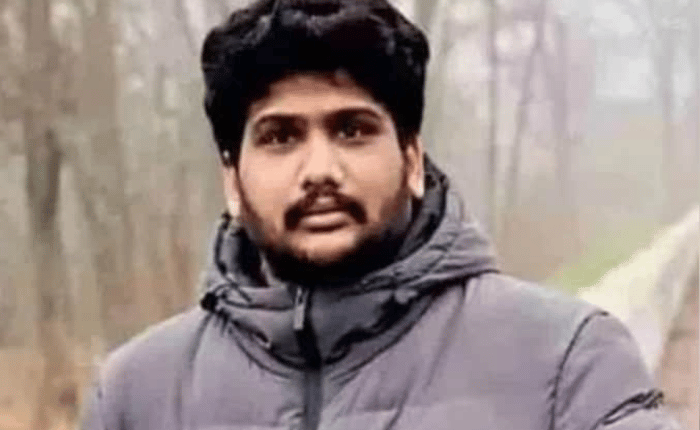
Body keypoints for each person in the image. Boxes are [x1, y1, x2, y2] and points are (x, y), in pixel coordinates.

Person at [81, 1, 682, 429]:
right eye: (281, 136)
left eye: (352, 130)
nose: (320, 169)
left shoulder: (565, 363)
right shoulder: (137, 394)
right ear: (232, 180)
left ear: (412, 160)